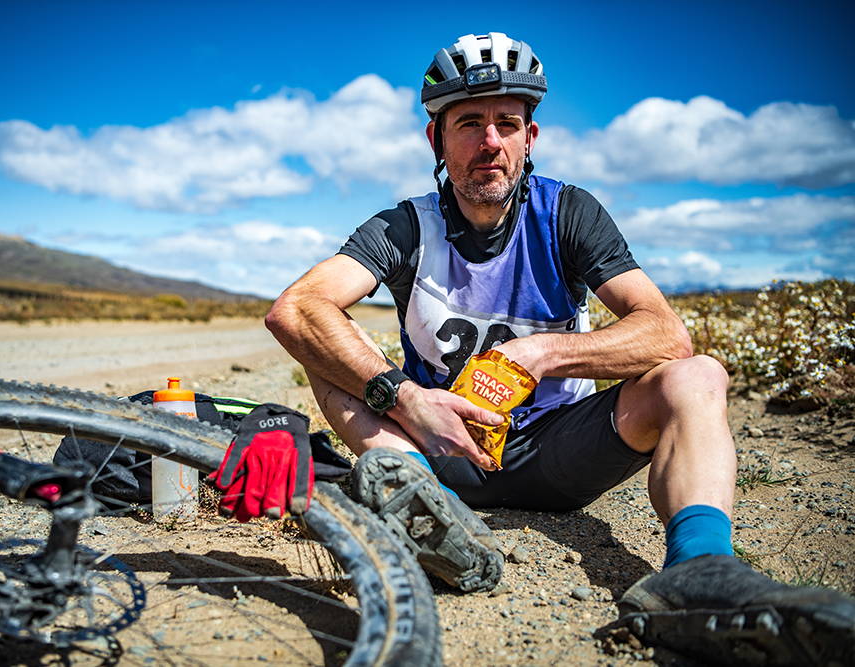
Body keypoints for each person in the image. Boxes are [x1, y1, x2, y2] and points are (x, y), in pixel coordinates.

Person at [265, 32, 854, 665]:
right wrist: (407, 399)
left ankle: (698, 570)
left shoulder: (569, 214)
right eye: (469, 123)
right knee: (322, 350)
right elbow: (295, 309)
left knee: (698, 374)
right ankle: (422, 507)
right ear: (437, 140)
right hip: (437, 450)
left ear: (530, 138)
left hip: (557, 450)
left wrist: (541, 354)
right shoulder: (405, 225)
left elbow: (665, 332)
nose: (490, 142)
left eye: (507, 123)